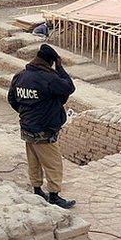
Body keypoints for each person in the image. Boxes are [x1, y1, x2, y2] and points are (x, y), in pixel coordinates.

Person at [8, 44, 76, 209]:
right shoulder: (48, 78)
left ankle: (37, 189)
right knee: (53, 163)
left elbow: (12, 99)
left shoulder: (20, 76)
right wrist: (60, 68)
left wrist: (27, 113)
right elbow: (69, 87)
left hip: (27, 128)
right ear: (50, 62)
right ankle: (54, 195)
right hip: (44, 130)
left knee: (34, 160)